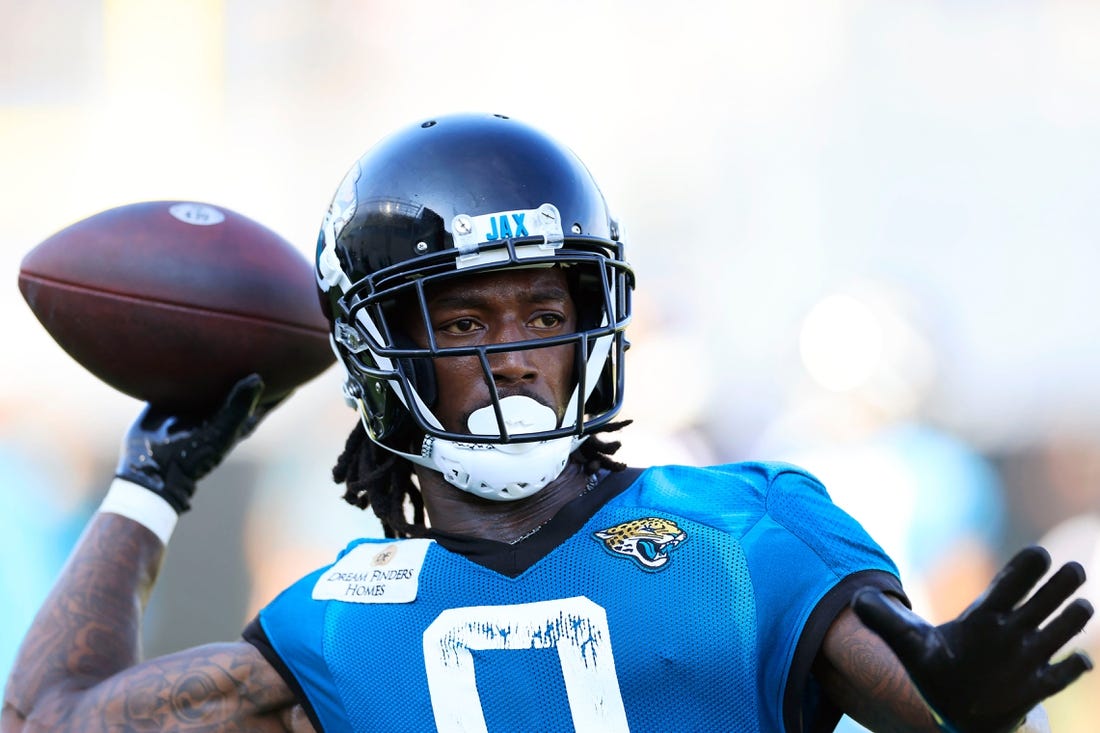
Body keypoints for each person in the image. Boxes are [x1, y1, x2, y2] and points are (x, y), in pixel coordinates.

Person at [1, 113, 1093, 733]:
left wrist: (965, 701)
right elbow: (48, 717)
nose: (515, 348)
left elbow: (922, 697)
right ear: (381, 350)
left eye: (543, 311)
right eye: (466, 316)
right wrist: (154, 482)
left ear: (593, 329)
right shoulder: (332, 617)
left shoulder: (744, 534)